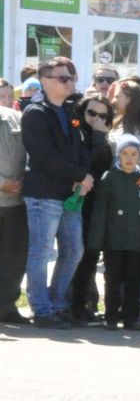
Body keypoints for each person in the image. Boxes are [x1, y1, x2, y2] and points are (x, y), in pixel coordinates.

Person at [19, 57, 92, 328]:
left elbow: (81, 149)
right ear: (45, 81)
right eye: (63, 78)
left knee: (74, 250)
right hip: (43, 194)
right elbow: (42, 155)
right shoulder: (35, 112)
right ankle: (41, 310)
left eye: (71, 77)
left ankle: (57, 304)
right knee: (41, 252)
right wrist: (78, 175)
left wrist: (83, 176)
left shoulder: (71, 111)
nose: (70, 82)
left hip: (69, 194)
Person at [86, 134, 140, 328]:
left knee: (134, 280)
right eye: (125, 153)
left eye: (134, 154)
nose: (129, 158)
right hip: (114, 240)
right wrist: (96, 240)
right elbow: (100, 212)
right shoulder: (109, 178)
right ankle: (111, 316)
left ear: (139, 157)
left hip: (137, 240)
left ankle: (130, 317)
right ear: (118, 155)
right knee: (113, 279)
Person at [69, 91, 115, 324]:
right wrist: (98, 136)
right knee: (75, 255)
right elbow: (86, 163)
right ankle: (71, 305)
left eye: (103, 115)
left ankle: (82, 304)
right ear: (82, 112)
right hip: (77, 202)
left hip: (98, 204)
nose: (97, 118)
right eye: (92, 113)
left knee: (89, 256)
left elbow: (105, 168)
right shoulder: (77, 132)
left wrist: (101, 137)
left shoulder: (104, 136)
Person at [0, 99, 26, 324]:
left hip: (16, 202)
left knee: (14, 258)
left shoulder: (16, 117)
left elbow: (31, 152)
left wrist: (23, 181)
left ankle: (6, 307)